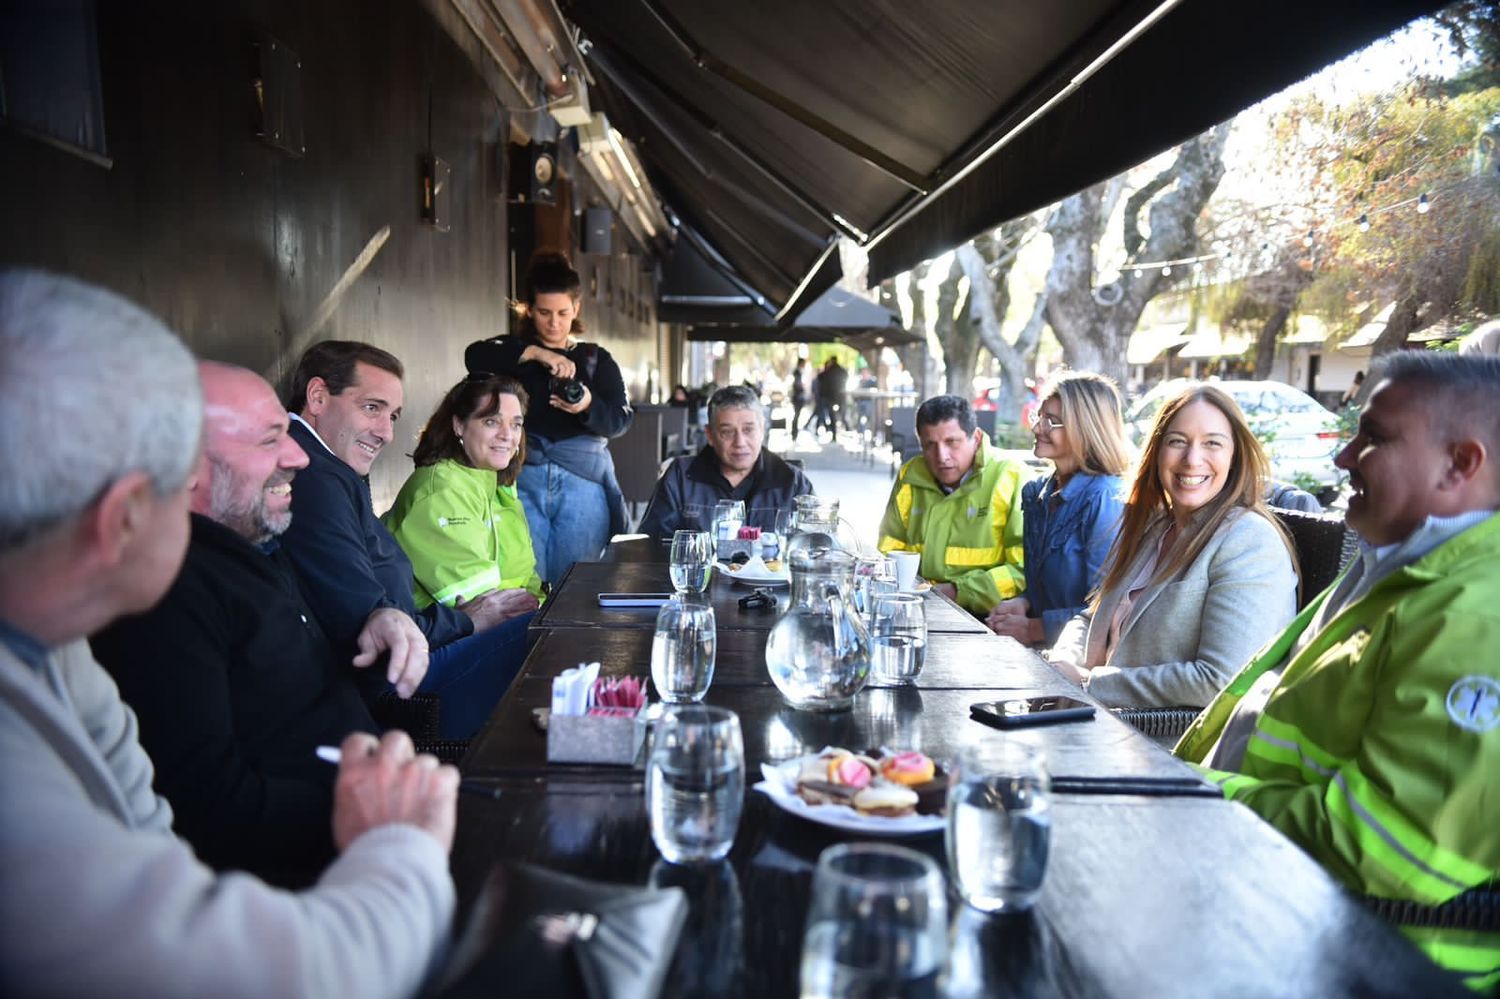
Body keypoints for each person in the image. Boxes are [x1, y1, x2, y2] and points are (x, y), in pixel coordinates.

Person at [0, 269, 456, 999]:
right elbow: (245, 960)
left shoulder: (54, 645)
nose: (298, 461)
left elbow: (151, 831)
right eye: (180, 469)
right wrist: (392, 836)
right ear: (122, 516)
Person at [1176, 352, 1500, 990]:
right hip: (1276, 906)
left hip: (1372, 962)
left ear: (1460, 463)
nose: (1343, 457)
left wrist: (1189, 795)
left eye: (1374, 438)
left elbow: (1390, 854)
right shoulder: (1396, 561)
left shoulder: (1477, 614)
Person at [91, 362, 427, 888]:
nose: (297, 457)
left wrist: (384, 627)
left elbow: (303, 693)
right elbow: (208, 809)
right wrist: (378, 818)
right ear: (184, 465)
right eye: (271, 440)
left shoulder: (253, 546)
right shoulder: (165, 592)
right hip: (314, 888)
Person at [280, 341, 533, 739]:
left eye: (392, 415)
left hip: (411, 657)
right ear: (317, 396)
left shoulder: (331, 470)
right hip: (393, 686)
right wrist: (468, 621)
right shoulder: (311, 477)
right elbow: (367, 627)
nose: (387, 432)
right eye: (372, 408)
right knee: (541, 635)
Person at [1046, 385, 1298, 709]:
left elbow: (1221, 681)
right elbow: (1088, 619)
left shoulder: (1249, 541)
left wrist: (1086, 683)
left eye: (1212, 443)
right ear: (1157, 452)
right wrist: (1060, 665)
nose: (1192, 460)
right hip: (1092, 721)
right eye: (1177, 441)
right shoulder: (1152, 528)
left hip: (1163, 748)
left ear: (1235, 457)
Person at [465, 251, 632, 582]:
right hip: (521, 477)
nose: (554, 323)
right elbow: (474, 356)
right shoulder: (513, 351)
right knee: (523, 581)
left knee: (575, 586)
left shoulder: (596, 359)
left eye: (563, 313)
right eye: (544, 313)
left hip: (583, 483)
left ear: (577, 309)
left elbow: (620, 420)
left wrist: (587, 405)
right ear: (529, 309)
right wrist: (537, 353)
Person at [986, 372, 1131, 646]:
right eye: (1038, 417)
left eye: (1052, 421)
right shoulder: (1036, 493)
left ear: (1086, 428)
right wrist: (1025, 603)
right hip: (1038, 657)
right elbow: (1051, 588)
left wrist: (1035, 629)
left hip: (1081, 666)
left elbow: (1106, 610)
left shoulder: (1106, 499)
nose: (1038, 428)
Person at [385, 373, 544, 614]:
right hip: (435, 640)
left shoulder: (495, 484)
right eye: (491, 421)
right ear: (459, 425)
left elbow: (525, 577)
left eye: (516, 424)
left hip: (496, 627)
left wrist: (545, 604)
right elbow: (483, 605)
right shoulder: (442, 490)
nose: (507, 435)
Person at [877, 394, 1028, 615]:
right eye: (930, 445)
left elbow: (1022, 569)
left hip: (990, 615)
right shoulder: (910, 475)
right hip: (916, 606)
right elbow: (888, 551)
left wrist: (958, 592)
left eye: (951, 442)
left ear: (976, 438)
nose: (941, 456)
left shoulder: (1012, 475)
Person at [637, 384, 816, 539]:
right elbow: (651, 546)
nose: (739, 443)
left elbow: (816, 549)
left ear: (762, 429)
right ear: (710, 435)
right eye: (727, 432)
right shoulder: (681, 478)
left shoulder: (792, 483)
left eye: (748, 430)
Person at [789, 358, 810, 443]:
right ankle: (794, 433)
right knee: (796, 416)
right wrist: (802, 390)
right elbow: (797, 386)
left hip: (797, 397)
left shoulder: (798, 373)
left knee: (796, 416)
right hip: (797, 398)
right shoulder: (797, 373)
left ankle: (794, 433)